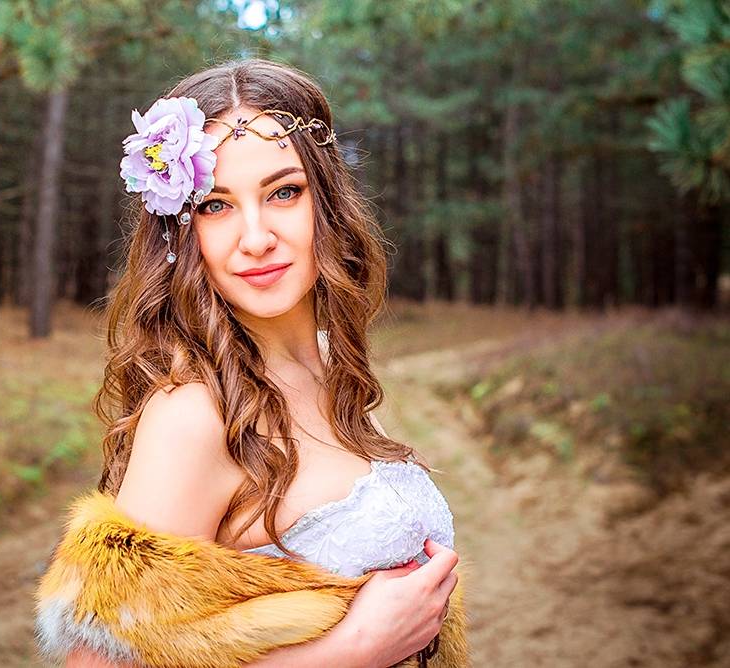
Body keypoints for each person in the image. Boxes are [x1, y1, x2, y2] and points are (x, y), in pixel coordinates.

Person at [62, 57, 460, 667]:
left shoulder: (329, 371)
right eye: (214, 205)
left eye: (284, 193)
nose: (255, 238)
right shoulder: (193, 415)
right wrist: (355, 648)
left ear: (326, 204)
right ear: (181, 232)